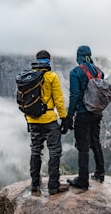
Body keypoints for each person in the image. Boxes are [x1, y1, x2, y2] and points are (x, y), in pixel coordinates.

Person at [26, 50, 70, 196]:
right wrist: (64, 118)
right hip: (49, 120)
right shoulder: (51, 77)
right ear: (49, 61)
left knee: (35, 151)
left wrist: (28, 119)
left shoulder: (28, 78)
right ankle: (53, 186)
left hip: (32, 120)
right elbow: (58, 100)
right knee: (54, 151)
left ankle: (34, 185)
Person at [65, 45, 105, 190]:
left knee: (83, 147)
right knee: (96, 142)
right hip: (96, 113)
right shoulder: (100, 72)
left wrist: (69, 116)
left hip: (83, 113)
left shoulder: (76, 72)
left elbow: (75, 95)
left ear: (79, 56)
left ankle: (83, 180)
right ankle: (100, 173)